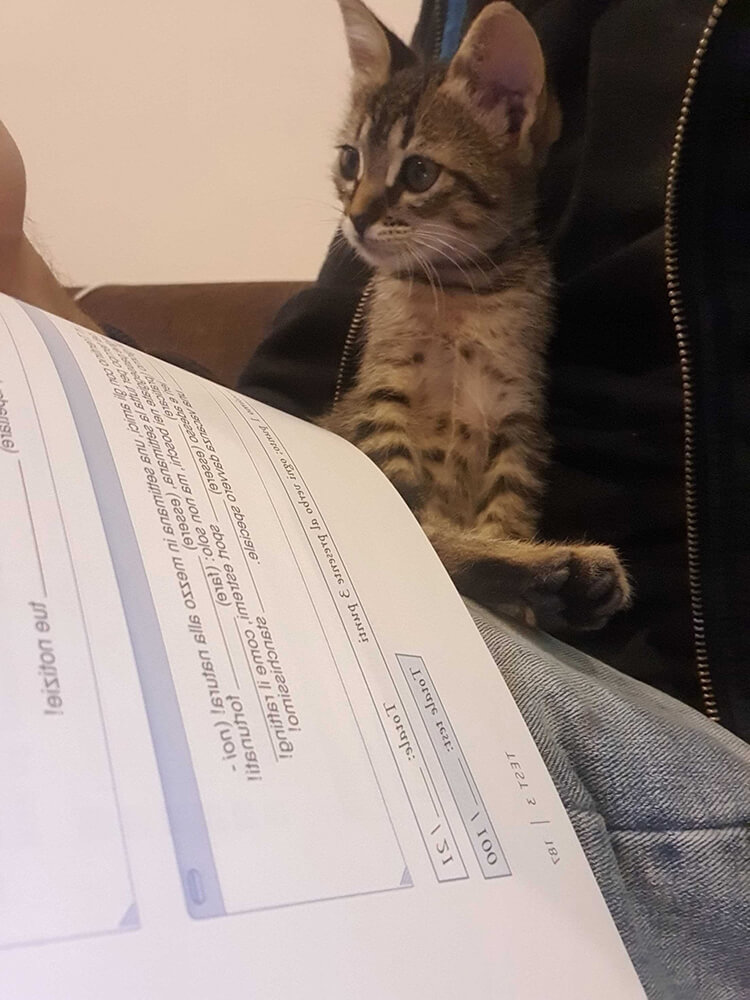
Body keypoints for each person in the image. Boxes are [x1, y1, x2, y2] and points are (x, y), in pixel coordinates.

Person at [1, 1, 748, 996]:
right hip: (317, 506)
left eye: (410, 177)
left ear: (517, 120)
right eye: (352, 169)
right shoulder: (415, 187)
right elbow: (326, 408)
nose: (359, 208)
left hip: (577, 661)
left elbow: (511, 453)